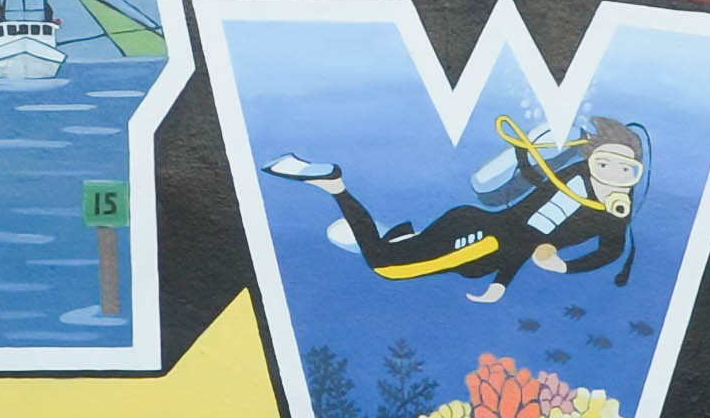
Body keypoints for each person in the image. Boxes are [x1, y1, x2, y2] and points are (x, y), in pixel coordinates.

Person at [268, 116, 647, 302]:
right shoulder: (573, 180)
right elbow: (523, 233)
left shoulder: (617, 209)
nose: (615, 176)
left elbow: (610, 251)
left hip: (479, 240)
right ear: (591, 159)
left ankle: (402, 234)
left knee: (406, 253)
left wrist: (566, 265)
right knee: (386, 266)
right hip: (481, 237)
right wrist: (502, 283)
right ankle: (335, 185)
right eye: (605, 164)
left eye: (628, 170)